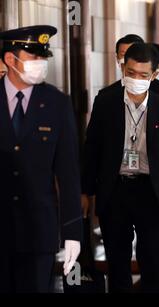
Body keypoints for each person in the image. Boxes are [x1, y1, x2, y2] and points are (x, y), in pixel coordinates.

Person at [82, 43, 159, 292]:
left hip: (152, 192)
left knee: (153, 262)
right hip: (115, 190)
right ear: (124, 69)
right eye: (131, 73)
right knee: (117, 264)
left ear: (154, 75)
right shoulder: (106, 101)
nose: (136, 79)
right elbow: (92, 148)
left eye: (143, 75)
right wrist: (85, 191)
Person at [0, 25, 82, 292]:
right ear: (10, 60)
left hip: (39, 231)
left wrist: (72, 233)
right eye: (34, 57)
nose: (41, 64)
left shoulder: (57, 103)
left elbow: (68, 173)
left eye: (43, 58)